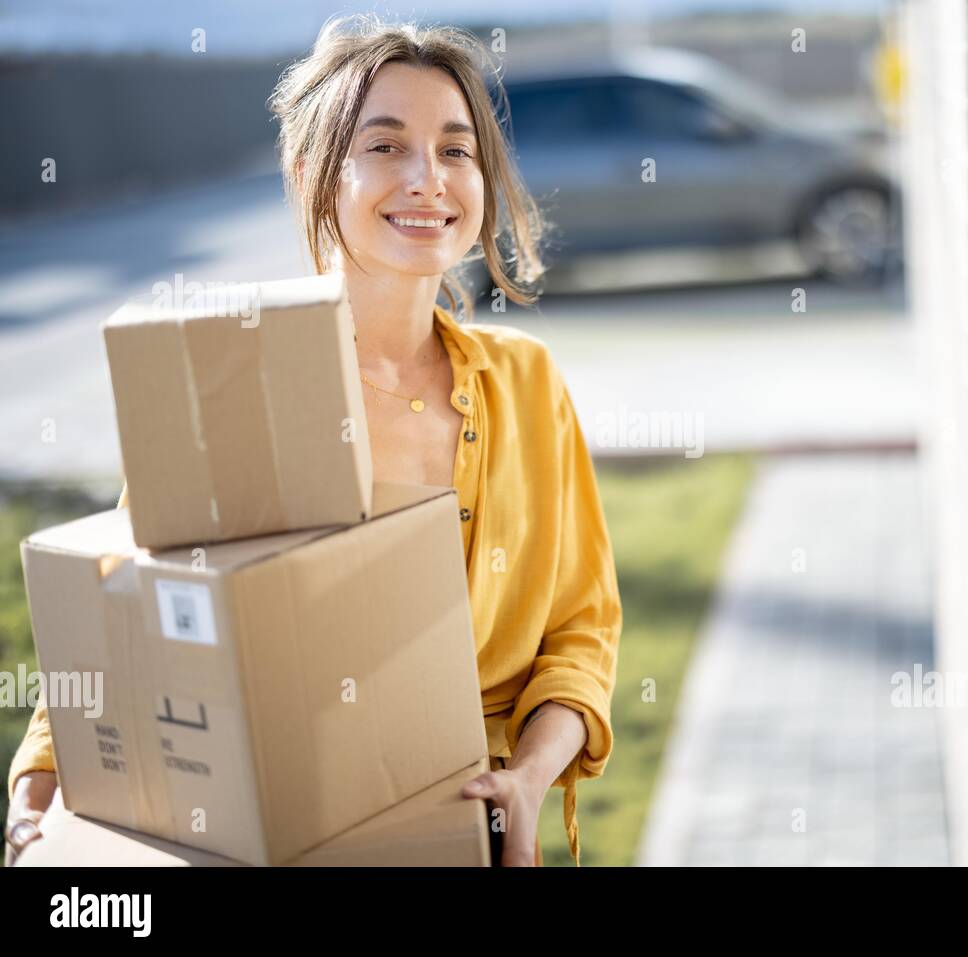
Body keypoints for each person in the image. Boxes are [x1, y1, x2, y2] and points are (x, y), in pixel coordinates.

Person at [5, 14, 621, 869]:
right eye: (384, 146)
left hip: (463, 826)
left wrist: (525, 778)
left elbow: (581, 630)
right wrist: (38, 785)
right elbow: (125, 607)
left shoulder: (527, 382)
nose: (427, 179)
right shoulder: (241, 381)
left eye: (455, 149)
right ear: (310, 177)